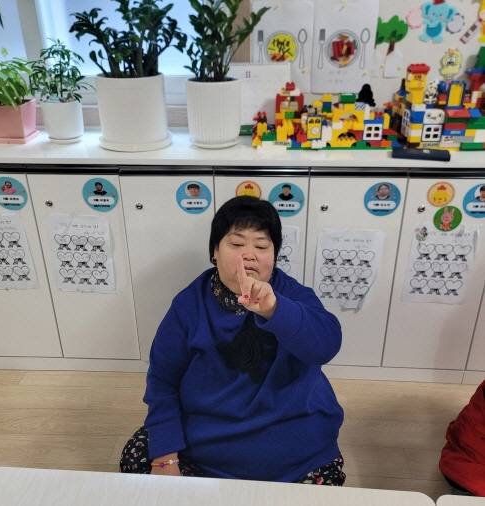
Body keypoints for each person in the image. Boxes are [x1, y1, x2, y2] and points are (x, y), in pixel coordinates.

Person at [120, 196, 345, 484]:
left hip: (296, 448)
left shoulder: (293, 296)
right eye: (236, 244)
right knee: (138, 461)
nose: (249, 255)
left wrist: (275, 310)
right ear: (215, 251)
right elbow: (163, 381)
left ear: (274, 256)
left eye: (262, 246)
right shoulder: (189, 305)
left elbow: (326, 346)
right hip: (207, 446)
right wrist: (166, 458)